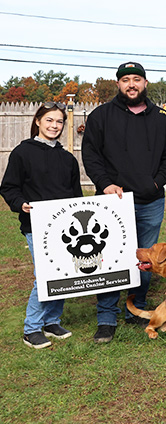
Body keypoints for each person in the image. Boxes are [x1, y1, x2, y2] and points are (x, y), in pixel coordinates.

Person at [81, 61, 166, 343]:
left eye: (136, 79)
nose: (131, 84)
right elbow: (90, 155)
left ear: (145, 83)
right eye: (125, 79)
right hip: (112, 201)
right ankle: (106, 317)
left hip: (150, 201)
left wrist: (155, 182)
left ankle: (135, 308)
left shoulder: (162, 118)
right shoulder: (101, 116)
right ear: (118, 84)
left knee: (145, 259)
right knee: (109, 257)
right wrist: (104, 184)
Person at [1, 102, 83, 349]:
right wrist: (21, 204)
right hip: (36, 226)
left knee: (65, 274)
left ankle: (51, 321)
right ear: (38, 121)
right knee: (46, 276)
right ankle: (32, 328)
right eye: (49, 120)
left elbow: (75, 196)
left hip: (65, 229)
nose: (54, 125)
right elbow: (9, 187)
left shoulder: (68, 159)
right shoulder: (22, 153)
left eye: (59, 121)